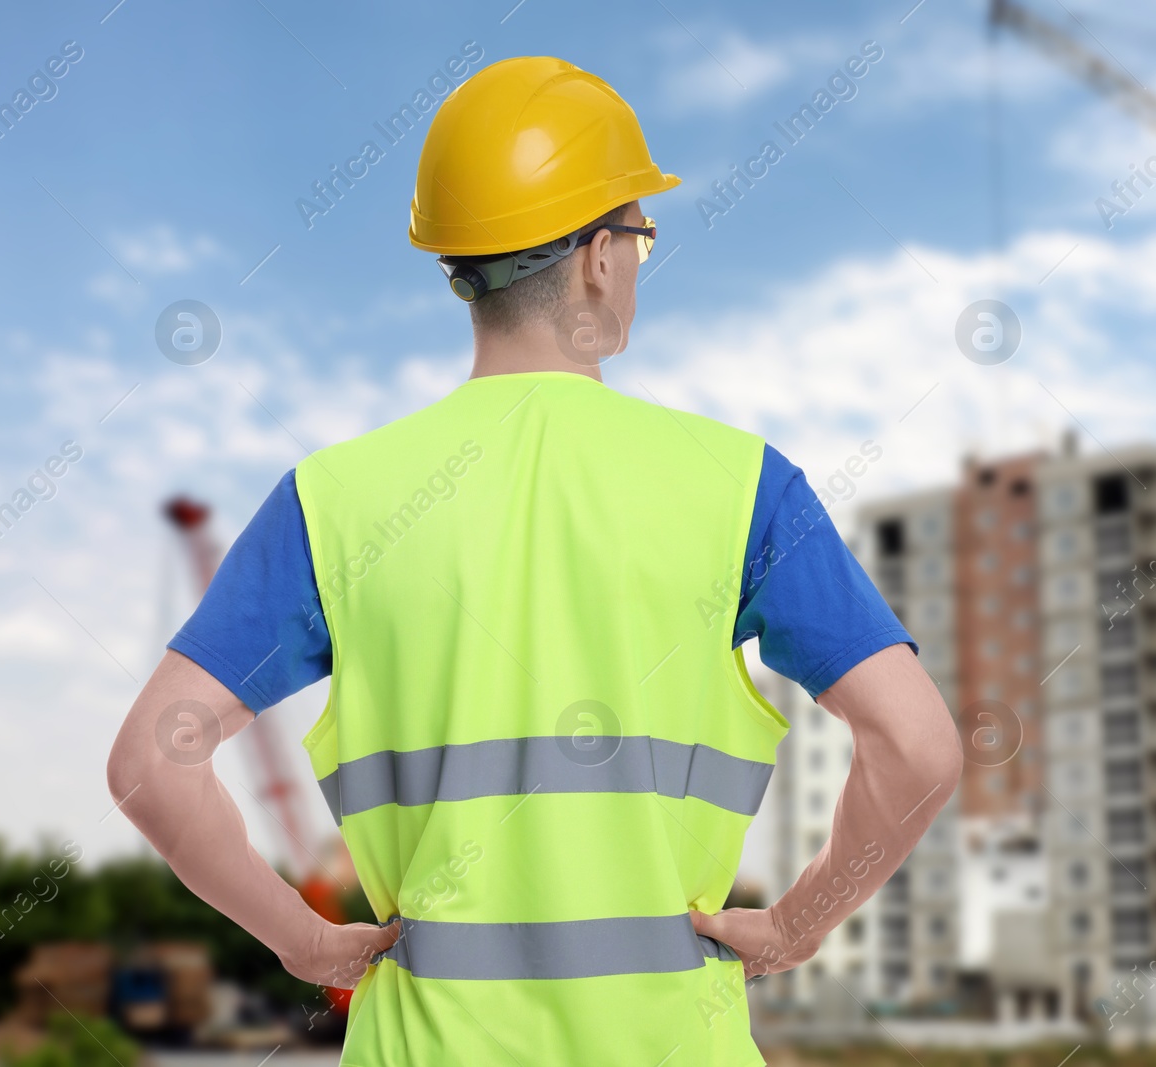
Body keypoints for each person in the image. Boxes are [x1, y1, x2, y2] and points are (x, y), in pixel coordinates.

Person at [107, 56, 960, 1066]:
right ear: (598, 255)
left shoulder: (330, 502)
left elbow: (149, 765)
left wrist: (303, 940)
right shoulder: (742, 484)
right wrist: (791, 926)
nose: (638, 261)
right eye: (641, 234)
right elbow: (919, 750)